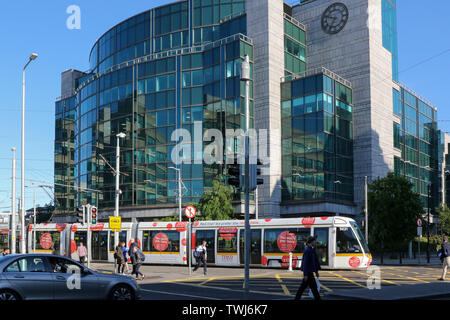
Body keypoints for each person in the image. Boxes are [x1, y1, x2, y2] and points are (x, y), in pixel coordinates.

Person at [294, 236, 321, 300]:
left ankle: (297, 298)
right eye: (314, 241)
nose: (315, 242)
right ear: (311, 242)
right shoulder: (308, 250)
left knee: (307, 288)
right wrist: (305, 274)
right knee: (312, 289)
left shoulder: (311, 249)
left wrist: (316, 271)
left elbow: (315, 262)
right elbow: (305, 263)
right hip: (308, 273)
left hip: (310, 273)